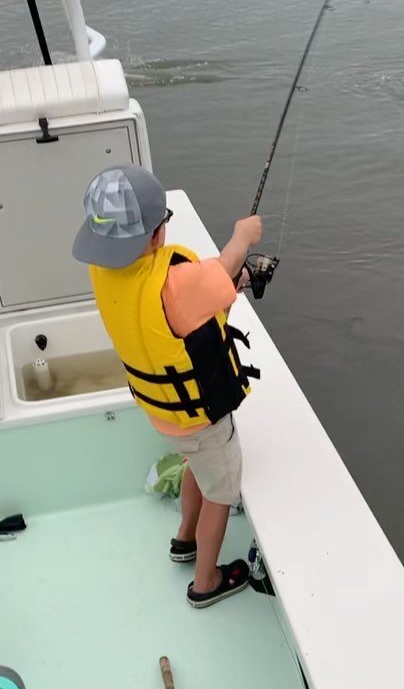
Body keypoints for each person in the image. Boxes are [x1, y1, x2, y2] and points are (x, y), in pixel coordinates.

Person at [72, 164, 262, 608]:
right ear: (156, 235)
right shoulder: (175, 283)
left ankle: (184, 539)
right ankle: (206, 581)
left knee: (198, 465)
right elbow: (224, 267)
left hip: (163, 415)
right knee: (222, 492)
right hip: (199, 420)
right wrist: (243, 235)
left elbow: (183, 305)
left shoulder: (103, 272)